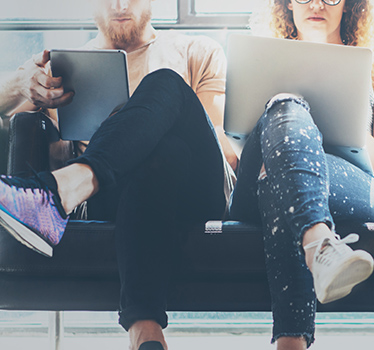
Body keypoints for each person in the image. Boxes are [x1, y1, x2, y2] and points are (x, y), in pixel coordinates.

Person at [0, 0, 235, 349]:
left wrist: (150, 117)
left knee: (165, 88)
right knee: (159, 156)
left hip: (195, 192)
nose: (121, 5)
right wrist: (20, 85)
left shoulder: (197, 51)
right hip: (112, 199)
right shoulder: (61, 68)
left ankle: (56, 193)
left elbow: (223, 151)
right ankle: (146, 334)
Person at [226, 0, 374, 349]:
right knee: (286, 105)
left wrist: (337, 108)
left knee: (277, 183)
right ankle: (320, 243)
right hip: (262, 173)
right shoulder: (261, 63)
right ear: (287, 4)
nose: (317, 4)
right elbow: (235, 152)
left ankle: (291, 341)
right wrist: (291, 118)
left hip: (355, 186)